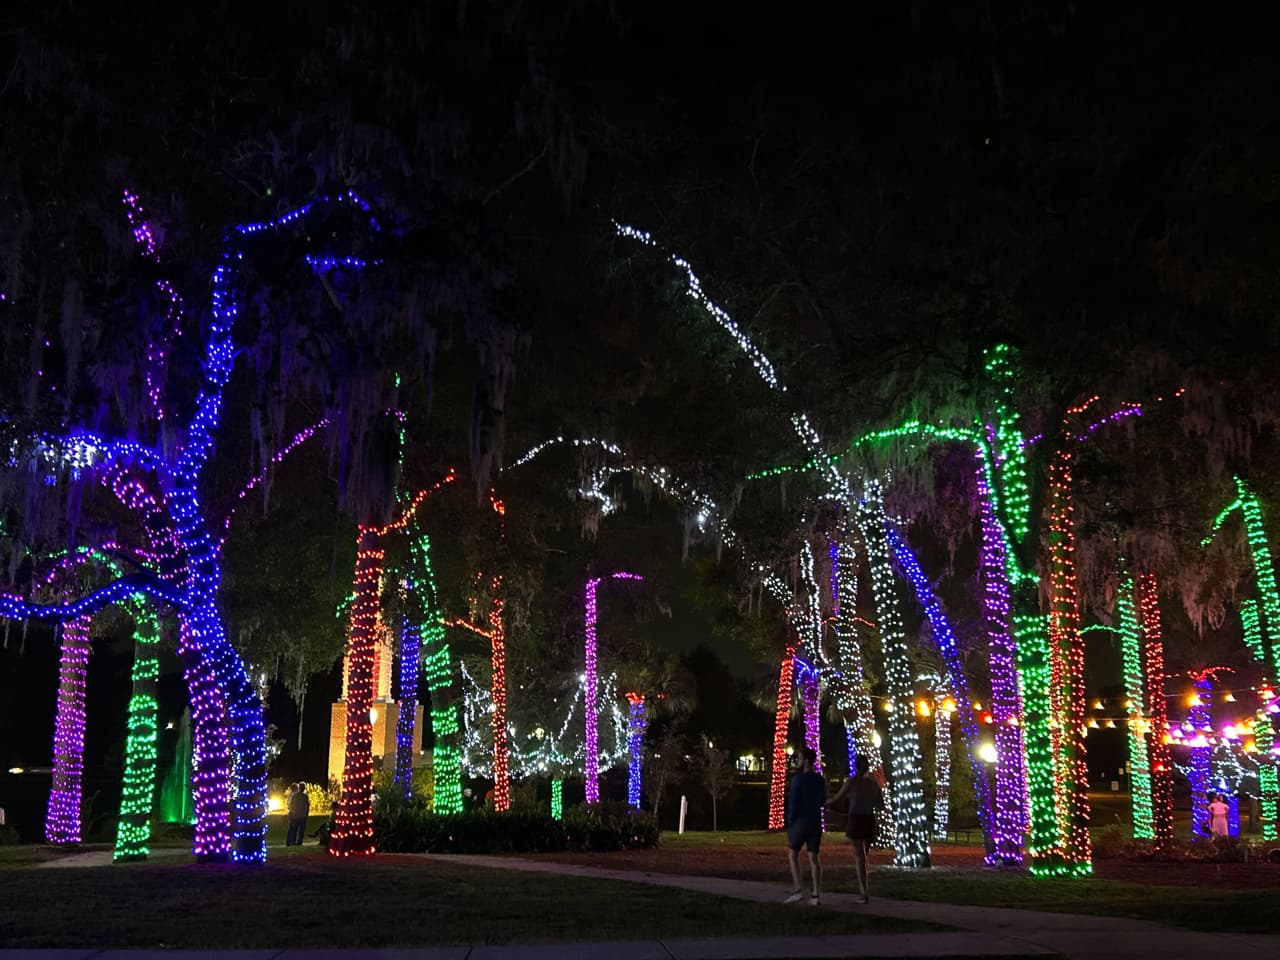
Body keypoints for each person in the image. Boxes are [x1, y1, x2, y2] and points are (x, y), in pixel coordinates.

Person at [827, 754, 884, 903]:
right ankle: (864, 888)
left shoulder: (851, 782)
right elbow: (880, 805)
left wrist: (824, 803)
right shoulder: (873, 784)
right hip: (869, 820)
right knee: (864, 856)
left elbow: (837, 798)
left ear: (855, 766)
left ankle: (863, 892)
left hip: (856, 819)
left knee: (860, 858)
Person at [784, 745, 825, 905]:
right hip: (815, 821)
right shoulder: (819, 779)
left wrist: (790, 823)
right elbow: (822, 800)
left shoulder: (798, 780)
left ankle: (797, 890)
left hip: (800, 821)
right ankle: (815, 894)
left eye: (800, 759)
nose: (798, 762)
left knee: (792, 854)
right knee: (813, 857)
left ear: (806, 761)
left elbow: (793, 803)